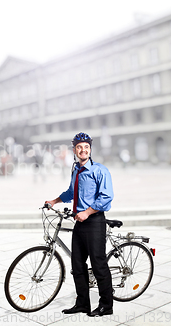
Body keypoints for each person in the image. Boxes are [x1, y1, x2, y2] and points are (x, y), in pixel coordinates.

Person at [45, 132, 114, 317]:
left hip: (94, 221)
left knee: (98, 265)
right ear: (75, 150)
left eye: (86, 147)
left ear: (90, 149)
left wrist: (87, 212)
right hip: (79, 223)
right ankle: (82, 303)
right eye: (79, 147)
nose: (83, 150)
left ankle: (106, 305)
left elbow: (107, 197)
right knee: (77, 265)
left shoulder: (100, 170)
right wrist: (54, 201)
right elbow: (71, 192)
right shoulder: (76, 169)